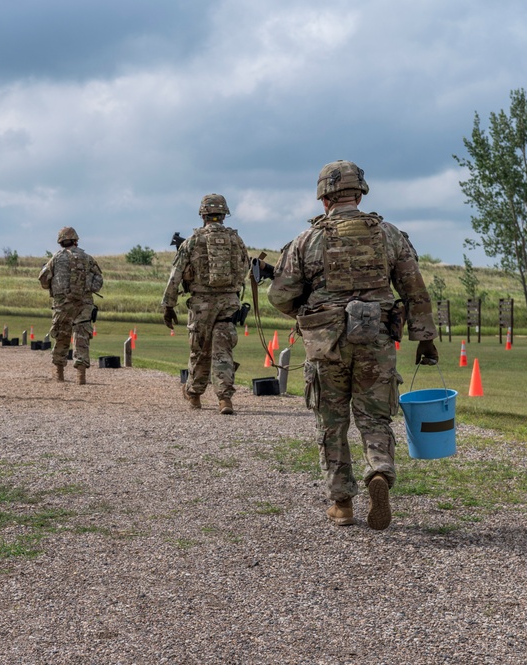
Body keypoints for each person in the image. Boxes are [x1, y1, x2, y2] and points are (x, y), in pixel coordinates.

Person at [266, 160, 438, 531]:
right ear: (359, 194)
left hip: (325, 344)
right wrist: (425, 339)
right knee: (373, 415)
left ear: (325, 198)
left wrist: (307, 312)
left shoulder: (306, 240)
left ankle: (342, 503)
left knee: (331, 422)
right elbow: (414, 290)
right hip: (375, 339)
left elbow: (279, 295)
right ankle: (379, 470)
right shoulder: (389, 235)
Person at [162, 194, 249, 415]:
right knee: (223, 351)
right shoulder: (236, 240)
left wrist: (168, 305)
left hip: (201, 303)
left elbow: (176, 275)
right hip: (229, 302)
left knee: (199, 350)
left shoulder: (192, 241)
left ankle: (194, 395)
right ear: (223, 215)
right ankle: (224, 399)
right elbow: (244, 268)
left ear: (203, 215)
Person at [38, 227, 103, 384]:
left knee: (61, 336)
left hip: (62, 305)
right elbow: (98, 281)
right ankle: (81, 376)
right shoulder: (87, 258)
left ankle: (59, 374)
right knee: (81, 338)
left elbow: (43, 280)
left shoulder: (56, 258)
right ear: (76, 240)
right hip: (84, 304)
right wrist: (86, 287)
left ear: (60, 242)